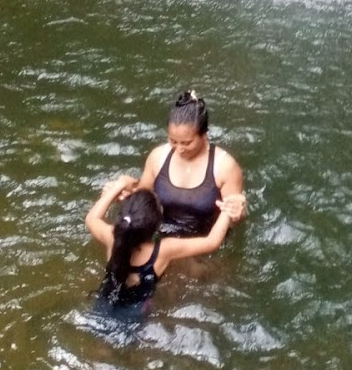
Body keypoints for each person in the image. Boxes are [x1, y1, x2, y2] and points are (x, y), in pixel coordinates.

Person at [85, 176, 236, 309]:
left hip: (101, 305)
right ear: (157, 225)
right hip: (135, 316)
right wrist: (227, 209)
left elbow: (91, 219)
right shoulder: (164, 250)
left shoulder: (112, 237)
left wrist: (118, 186)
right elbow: (212, 242)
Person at [135, 89, 246, 242]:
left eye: (187, 143)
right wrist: (125, 192)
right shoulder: (157, 157)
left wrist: (237, 213)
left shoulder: (225, 167)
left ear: (204, 135)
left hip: (205, 244)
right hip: (163, 239)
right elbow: (141, 199)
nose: (179, 149)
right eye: (173, 141)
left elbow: (235, 216)